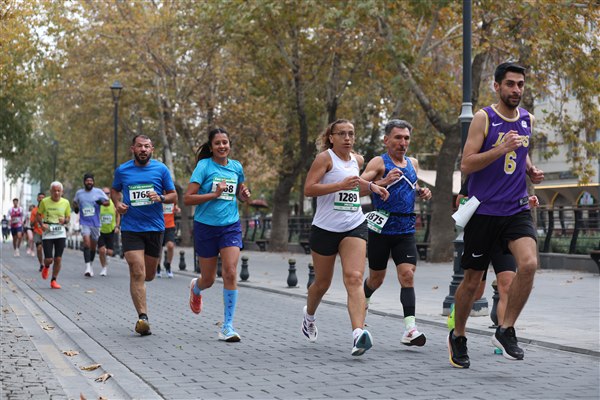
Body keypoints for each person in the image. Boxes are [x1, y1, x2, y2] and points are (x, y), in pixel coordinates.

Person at [448, 62, 544, 369]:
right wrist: (500, 149)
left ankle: (506, 330)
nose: (516, 90)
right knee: (472, 282)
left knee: (529, 264)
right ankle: (458, 335)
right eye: (510, 84)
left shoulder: (527, 119)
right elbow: (467, 164)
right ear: (497, 86)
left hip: (516, 208)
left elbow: (522, 151)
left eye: (520, 84)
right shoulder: (484, 118)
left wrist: (530, 169)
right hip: (484, 211)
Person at [301, 119, 389, 356]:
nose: (347, 138)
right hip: (325, 228)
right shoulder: (325, 159)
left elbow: (355, 185)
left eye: (351, 133)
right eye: (342, 134)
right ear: (331, 138)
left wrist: (373, 187)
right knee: (322, 283)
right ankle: (309, 316)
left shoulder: (357, 160)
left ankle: (358, 334)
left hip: (354, 224)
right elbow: (309, 189)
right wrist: (339, 185)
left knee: (355, 277)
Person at [360, 119, 432, 347]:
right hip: (381, 230)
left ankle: (410, 329)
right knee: (376, 279)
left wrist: (421, 191)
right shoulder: (379, 162)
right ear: (386, 140)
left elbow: (411, 185)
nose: (403, 142)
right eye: (398, 137)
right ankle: (363, 303)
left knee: (407, 275)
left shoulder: (413, 163)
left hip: (406, 229)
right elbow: (358, 187)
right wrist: (383, 181)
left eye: (406, 138)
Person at [449, 178, 540, 352]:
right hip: (482, 230)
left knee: (506, 286)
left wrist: (526, 202)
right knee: (476, 291)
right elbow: (460, 201)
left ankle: (503, 334)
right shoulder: (482, 172)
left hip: (504, 236)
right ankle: (458, 310)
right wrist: (483, 202)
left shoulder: (511, 174)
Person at [184, 127, 251, 342]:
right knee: (209, 279)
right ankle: (196, 288)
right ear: (211, 147)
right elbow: (188, 198)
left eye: (225, 142)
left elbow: (239, 193)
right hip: (205, 226)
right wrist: (213, 194)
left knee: (230, 272)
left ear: (229, 145)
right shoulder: (204, 166)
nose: (222, 146)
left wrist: (243, 194)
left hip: (230, 226)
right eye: (218, 143)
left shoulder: (236, 167)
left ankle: (227, 326)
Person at [111, 134, 177, 336]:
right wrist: (117, 204)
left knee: (148, 275)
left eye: (147, 146)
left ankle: (142, 299)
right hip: (131, 228)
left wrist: (161, 197)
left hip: (155, 228)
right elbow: (114, 191)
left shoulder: (161, 169)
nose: (143, 149)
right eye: (139, 146)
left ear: (152, 149)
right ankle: (143, 318)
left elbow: (173, 195)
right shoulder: (122, 170)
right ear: (133, 148)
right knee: (137, 271)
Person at [73, 173, 110, 277]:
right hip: (85, 222)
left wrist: (101, 202)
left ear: (93, 182)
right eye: (87, 181)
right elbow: (75, 202)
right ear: (84, 182)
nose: (89, 182)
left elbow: (108, 202)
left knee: (93, 247)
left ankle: (91, 264)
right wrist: (76, 208)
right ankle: (87, 267)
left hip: (95, 223)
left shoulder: (98, 192)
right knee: (86, 243)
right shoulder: (79, 193)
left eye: (91, 181)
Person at [37, 182, 71, 289]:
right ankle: (46, 266)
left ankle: (53, 280)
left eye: (58, 191)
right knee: (49, 259)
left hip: (60, 232)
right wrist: (42, 224)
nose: (56, 193)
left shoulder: (66, 202)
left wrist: (64, 220)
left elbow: (68, 217)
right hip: (48, 233)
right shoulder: (44, 201)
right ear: (50, 191)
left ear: (62, 192)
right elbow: (38, 215)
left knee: (58, 259)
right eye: (54, 191)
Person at [98, 187, 120, 277]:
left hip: (111, 231)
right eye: (104, 193)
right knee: (102, 250)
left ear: (110, 194)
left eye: (107, 193)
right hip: (100, 231)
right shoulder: (98, 204)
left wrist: (117, 226)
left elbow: (118, 216)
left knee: (110, 252)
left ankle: (107, 259)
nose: (106, 195)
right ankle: (104, 268)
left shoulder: (113, 204)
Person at [157, 197, 180, 278]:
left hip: (170, 226)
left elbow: (176, 207)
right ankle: (158, 267)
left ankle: (168, 265)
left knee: (170, 246)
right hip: (159, 226)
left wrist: (177, 209)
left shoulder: (172, 199)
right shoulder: (158, 199)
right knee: (159, 248)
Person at [31, 192, 46, 272]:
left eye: (43, 197)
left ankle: (46, 264)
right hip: (37, 232)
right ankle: (41, 264)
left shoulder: (48, 209)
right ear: (37, 199)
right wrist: (36, 219)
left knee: (47, 250)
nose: (41, 199)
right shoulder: (34, 210)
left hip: (46, 232)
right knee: (39, 248)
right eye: (40, 197)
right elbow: (31, 224)